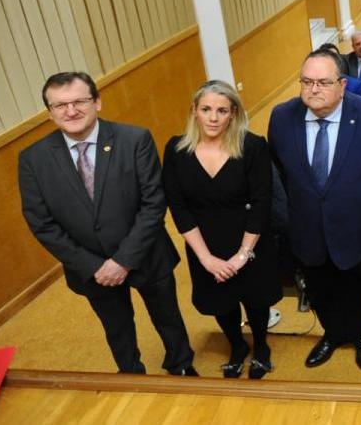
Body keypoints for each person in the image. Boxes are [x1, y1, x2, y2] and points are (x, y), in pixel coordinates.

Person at [19, 72, 196, 375]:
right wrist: (94, 266)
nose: (70, 111)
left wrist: (123, 261)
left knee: (168, 318)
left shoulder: (134, 139)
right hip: (92, 269)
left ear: (97, 102)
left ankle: (181, 365)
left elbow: (153, 203)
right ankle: (130, 375)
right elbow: (41, 222)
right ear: (49, 113)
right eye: (60, 105)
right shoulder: (33, 159)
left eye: (79, 101)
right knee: (117, 329)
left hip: (146, 257)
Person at [267, 50, 361, 372]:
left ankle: (359, 335)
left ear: (342, 85)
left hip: (358, 225)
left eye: (323, 82)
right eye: (307, 82)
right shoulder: (282, 117)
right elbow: (283, 170)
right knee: (318, 286)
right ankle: (332, 333)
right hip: (307, 226)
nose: (314, 89)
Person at [163, 81, 278, 379]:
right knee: (220, 301)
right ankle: (237, 346)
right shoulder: (176, 150)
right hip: (204, 243)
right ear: (194, 112)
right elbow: (178, 207)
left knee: (255, 300)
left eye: (222, 110)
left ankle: (262, 347)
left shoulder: (253, 146)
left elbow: (262, 202)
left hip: (249, 240)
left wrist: (242, 255)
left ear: (233, 114)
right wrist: (206, 259)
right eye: (206, 109)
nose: (213, 118)